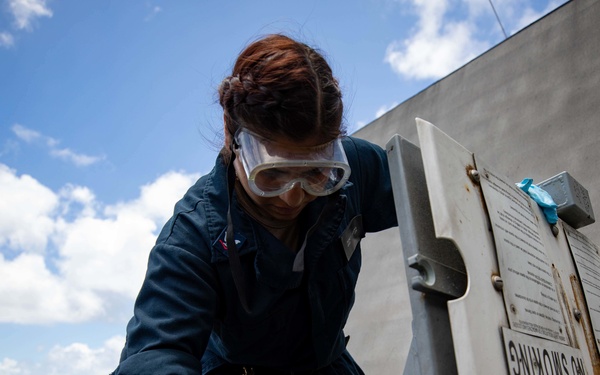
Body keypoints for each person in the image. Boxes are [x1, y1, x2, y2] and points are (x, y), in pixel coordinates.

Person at [112, 34, 397, 375]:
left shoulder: (359, 167)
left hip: (329, 365)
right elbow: (154, 355)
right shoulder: (192, 237)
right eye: (273, 174)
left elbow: (441, 194)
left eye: (316, 173)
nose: (293, 196)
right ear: (232, 137)